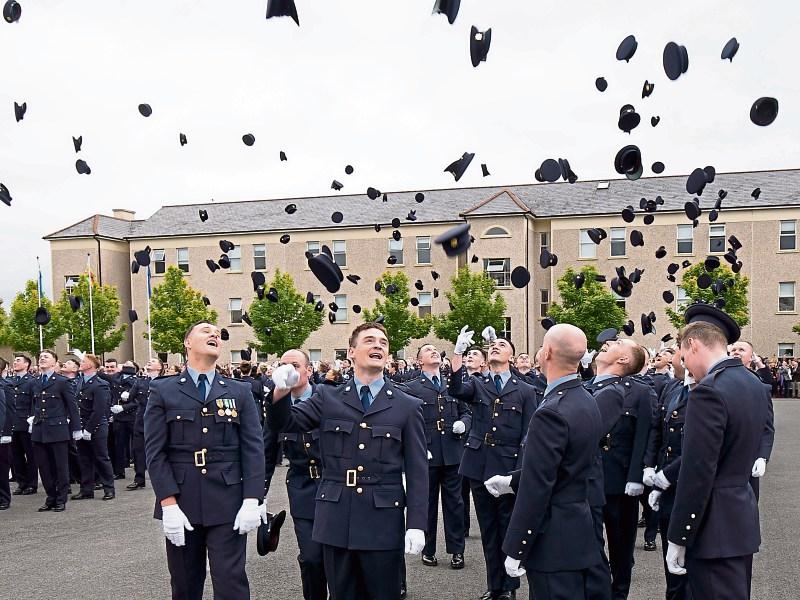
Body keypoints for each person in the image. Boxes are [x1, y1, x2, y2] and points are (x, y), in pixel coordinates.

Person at [267, 322, 428, 600]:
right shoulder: (328, 398)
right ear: (351, 352)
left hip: (382, 520)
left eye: (383, 342)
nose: (377, 345)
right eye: (369, 340)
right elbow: (286, 423)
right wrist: (280, 392)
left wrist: (416, 523)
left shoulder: (407, 405)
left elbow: (417, 470)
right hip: (336, 516)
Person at [144, 321, 266, 600]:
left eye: (217, 333)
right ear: (187, 342)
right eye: (205, 331)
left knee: (231, 582)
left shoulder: (239, 391)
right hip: (181, 499)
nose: (214, 334)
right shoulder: (163, 390)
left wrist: (252, 499)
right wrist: (168, 503)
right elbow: (155, 451)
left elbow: (252, 448)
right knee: (185, 584)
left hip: (228, 499)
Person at [487, 323, 603, 600]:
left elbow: (538, 486)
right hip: (577, 527)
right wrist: (513, 479)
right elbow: (563, 466)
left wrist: (516, 546)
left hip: (553, 537)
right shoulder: (585, 398)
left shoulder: (552, 411)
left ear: (547, 353)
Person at [665, 304, 769, 599]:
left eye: (684, 357)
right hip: (739, 518)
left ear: (693, 344)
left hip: (712, 527)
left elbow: (698, 470)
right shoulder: (755, 385)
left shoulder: (708, 391)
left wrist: (679, 536)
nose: (685, 365)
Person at [448, 327, 539, 600]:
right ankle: (495, 585)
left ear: (512, 355)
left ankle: (510, 587)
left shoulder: (525, 390)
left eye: (502, 344)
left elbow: (528, 433)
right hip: (479, 463)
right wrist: (457, 354)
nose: (496, 347)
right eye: (493, 345)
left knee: (508, 527)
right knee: (488, 528)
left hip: (507, 465)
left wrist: (518, 471)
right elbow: (455, 389)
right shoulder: (479, 384)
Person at [590, 338, 653, 600]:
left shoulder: (639, 391)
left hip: (620, 481)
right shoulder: (584, 387)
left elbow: (644, 435)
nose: (608, 342)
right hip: (588, 480)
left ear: (625, 359)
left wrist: (636, 476)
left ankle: (619, 594)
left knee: (621, 547)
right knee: (591, 546)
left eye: (618, 343)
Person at [264, 349, 326, 600]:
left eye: (295, 365)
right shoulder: (278, 406)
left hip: (335, 485)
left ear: (309, 370)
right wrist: (258, 497)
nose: (289, 370)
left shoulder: (330, 397)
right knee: (311, 558)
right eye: (284, 365)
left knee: (339, 558)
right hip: (303, 487)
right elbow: (267, 453)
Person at [404, 343, 470, 570]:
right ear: (419, 360)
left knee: (455, 504)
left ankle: (457, 550)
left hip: (452, 452)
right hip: (428, 453)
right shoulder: (412, 387)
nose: (434, 352)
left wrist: (465, 423)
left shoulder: (451, 384)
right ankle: (428, 549)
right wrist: (418, 444)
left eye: (436, 350)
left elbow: (466, 411)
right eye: (428, 350)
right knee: (428, 503)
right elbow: (409, 420)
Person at [643, 344, 691, 600]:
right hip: (666, 485)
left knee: (690, 566)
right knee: (671, 563)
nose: (671, 359)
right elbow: (657, 431)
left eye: (676, 353)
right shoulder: (672, 388)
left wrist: (666, 476)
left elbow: (700, 450)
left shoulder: (706, 391)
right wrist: (650, 465)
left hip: (688, 483)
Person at [31, 350, 82, 512]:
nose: (42, 358)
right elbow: (33, 404)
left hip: (58, 429)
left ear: (55, 362)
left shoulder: (62, 382)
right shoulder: (36, 381)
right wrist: (31, 419)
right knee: (44, 467)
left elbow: (72, 406)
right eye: (41, 357)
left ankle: (61, 499)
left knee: (60, 466)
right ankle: (50, 497)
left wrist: (76, 428)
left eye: (46, 357)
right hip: (39, 430)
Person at [727, 340, 776, 500]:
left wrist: (762, 456)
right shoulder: (713, 379)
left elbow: (766, 426)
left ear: (751, 357)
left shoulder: (759, 385)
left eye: (741, 349)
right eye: (733, 349)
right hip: (719, 456)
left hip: (746, 457)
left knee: (746, 507)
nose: (736, 352)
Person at [71, 353, 115, 501]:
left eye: (83, 361)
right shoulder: (79, 382)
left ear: (91, 365)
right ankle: (86, 489)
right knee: (84, 459)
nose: (80, 363)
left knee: (101, 458)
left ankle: (109, 488)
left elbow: (99, 410)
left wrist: (89, 429)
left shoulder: (100, 384)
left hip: (96, 427)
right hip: (81, 426)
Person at [127, 358, 164, 491]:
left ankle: (161, 478)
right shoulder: (140, 381)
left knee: (160, 451)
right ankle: (139, 479)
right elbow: (131, 398)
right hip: (141, 420)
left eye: (153, 361)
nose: (149, 362)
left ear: (160, 367)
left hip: (159, 422)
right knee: (139, 451)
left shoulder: (164, 382)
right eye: (149, 361)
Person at [6, 354, 38, 496]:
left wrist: (32, 419)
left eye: (18, 360)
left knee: (30, 455)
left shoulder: (31, 381)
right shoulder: (9, 381)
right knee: (15, 455)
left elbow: (34, 402)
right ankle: (21, 482)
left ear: (26, 365)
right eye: (14, 360)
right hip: (12, 422)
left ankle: (31, 484)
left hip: (26, 422)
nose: (15, 362)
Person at [0, 359, 11, 510]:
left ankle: (3, 497)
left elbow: (6, 412)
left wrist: (5, 432)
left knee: (1, 467)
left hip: (1, 433)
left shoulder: (5, 386)